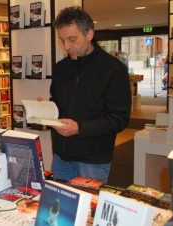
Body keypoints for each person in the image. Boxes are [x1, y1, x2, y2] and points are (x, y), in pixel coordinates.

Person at [50, 7, 131, 183]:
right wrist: (45, 109)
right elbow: (56, 102)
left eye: (72, 39)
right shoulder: (61, 68)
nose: (66, 47)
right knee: (58, 208)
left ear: (89, 34)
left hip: (93, 161)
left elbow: (120, 118)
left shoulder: (113, 70)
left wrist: (79, 127)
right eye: (62, 40)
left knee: (89, 210)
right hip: (61, 156)